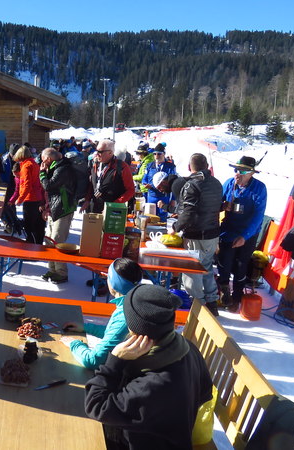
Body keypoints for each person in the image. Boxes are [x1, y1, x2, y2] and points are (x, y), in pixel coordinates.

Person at [85, 284, 213, 450]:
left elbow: (95, 406)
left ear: (135, 328)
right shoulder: (186, 348)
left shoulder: (153, 385)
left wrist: (115, 360)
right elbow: (205, 391)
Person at [61, 258, 142, 370]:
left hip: (123, 374)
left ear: (114, 283)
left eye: (108, 276)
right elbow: (115, 334)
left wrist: (74, 344)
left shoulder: (124, 316)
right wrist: (86, 328)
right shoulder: (134, 303)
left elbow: (92, 360)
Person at [171, 153, 223, 316]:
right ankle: (212, 302)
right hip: (212, 234)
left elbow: (189, 212)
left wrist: (176, 226)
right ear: (206, 166)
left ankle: (197, 307)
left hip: (196, 234)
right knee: (206, 267)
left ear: (189, 167)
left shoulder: (192, 185)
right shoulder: (216, 183)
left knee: (191, 271)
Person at [218, 156, 267, 312]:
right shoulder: (228, 184)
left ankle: (237, 297)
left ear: (251, 173)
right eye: (236, 169)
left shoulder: (259, 188)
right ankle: (224, 291)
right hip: (228, 229)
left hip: (248, 233)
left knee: (241, 265)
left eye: (243, 171)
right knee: (224, 262)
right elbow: (216, 204)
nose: (237, 173)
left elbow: (258, 216)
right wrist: (223, 206)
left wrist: (244, 237)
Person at [39, 147, 76, 283]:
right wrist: (45, 207)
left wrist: (42, 174)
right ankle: (52, 269)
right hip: (54, 208)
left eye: (43, 159)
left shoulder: (63, 169)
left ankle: (62, 273)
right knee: (49, 240)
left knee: (57, 240)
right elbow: (49, 192)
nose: (42, 163)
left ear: (48, 159)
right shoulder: (54, 167)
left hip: (63, 209)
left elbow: (48, 186)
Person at [82, 139, 135, 214]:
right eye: (97, 151)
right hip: (95, 208)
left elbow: (130, 190)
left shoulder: (122, 167)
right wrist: (87, 200)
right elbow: (93, 183)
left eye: (100, 152)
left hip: (113, 212)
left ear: (110, 152)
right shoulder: (96, 164)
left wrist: (113, 205)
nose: (97, 154)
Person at [10, 145, 46, 244]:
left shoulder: (26, 166)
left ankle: (30, 245)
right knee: (38, 224)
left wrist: (20, 199)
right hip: (38, 198)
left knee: (29, 225)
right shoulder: (34, 164)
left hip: (30, 199)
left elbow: (27, 185)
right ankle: (38, 244)